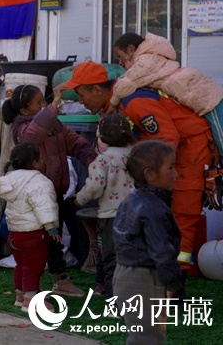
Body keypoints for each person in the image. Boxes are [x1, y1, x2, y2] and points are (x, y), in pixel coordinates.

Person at [62, 60, 220, 271]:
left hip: (192, 149)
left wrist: (147, 176)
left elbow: (167, 137)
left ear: (97, 89)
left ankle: (176, 276)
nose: (80, 101)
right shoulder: (120, 104)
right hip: (178, 150)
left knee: (184, 211)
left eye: (81, 95)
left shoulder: (134, 103)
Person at [1, 82, 94, 297]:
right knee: (37, 246)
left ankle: (56, 281)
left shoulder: (52, 123)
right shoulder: (21, 128)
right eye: (38, 103)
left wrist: (93, 159)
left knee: (54, 239)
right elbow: (33, 136)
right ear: (24, 111)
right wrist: (53, 105)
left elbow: (74, 141)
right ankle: (29, 291)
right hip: (35, 199)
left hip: (54, 194)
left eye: (44, 100)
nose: (44, 105)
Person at [113, 140, 182, 345]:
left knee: (141, 337)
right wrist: (174, 283)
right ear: (150, 174)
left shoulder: (131, 199)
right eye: (170, 168)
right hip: (145, 280)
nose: (175, 173)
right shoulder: (152, 208)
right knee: (148, 339)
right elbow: (161, 252)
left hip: (124, 274)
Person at [70, 113, 136, 299]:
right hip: (135, 216)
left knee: (111, 260)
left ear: (103, 138)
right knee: (132, 259)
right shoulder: (136, 157)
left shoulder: (103, 160)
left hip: (110, 218)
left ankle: (114, 301)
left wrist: (79, 199)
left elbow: (95, 187)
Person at [0, 141, 60, 312]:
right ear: (36, 162)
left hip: (14, 233)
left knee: (21, 265)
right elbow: (44, 206)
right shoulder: (40, 182)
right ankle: (31, 300)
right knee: (34, 267)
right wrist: (51, 227)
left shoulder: (9, 180)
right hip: (34, 234)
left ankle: (20, 295)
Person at [111, 32, 223, 116]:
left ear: (131, 49)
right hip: (199, 92)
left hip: (207, 100)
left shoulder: (146, 61)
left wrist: (112, 103)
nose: (120, 63)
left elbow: (126, 83)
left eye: (120, 56)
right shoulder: (151, 56)